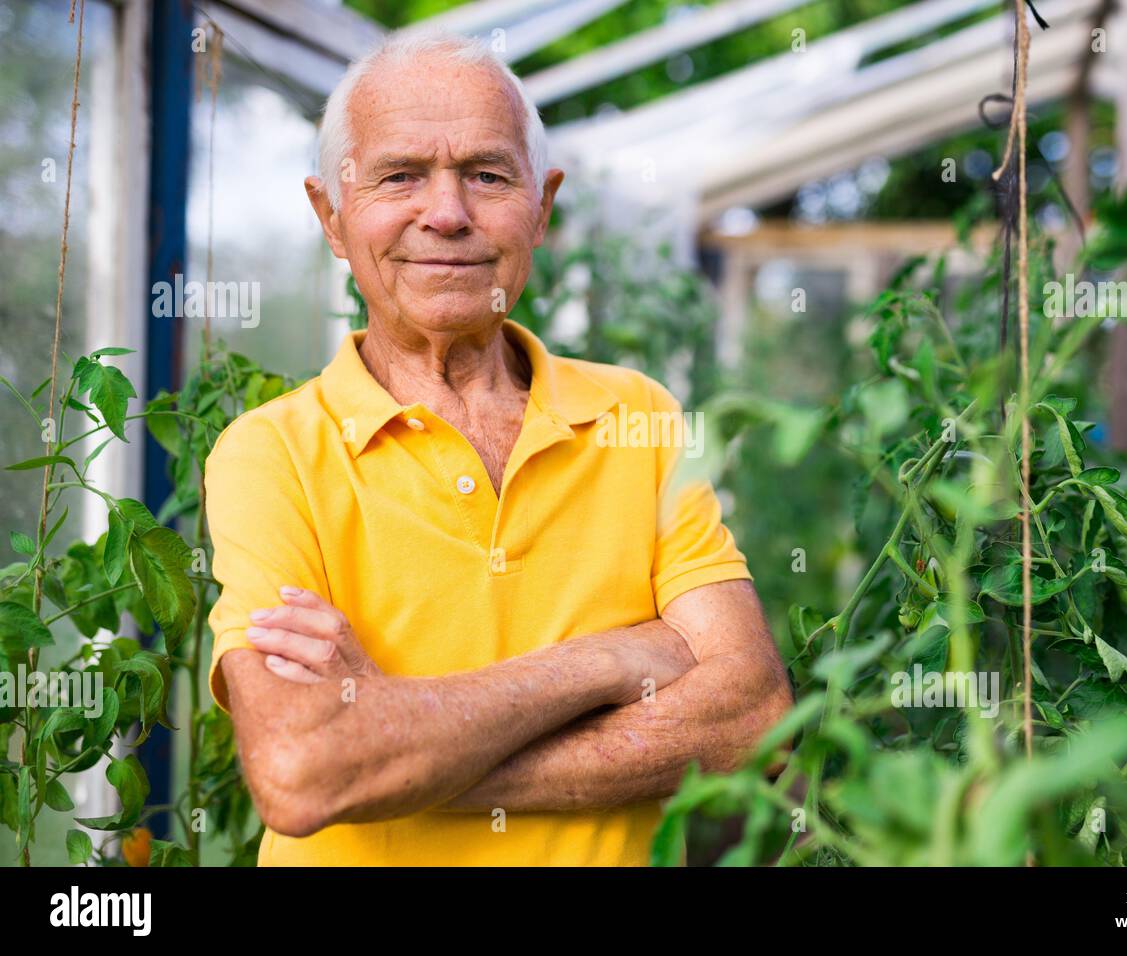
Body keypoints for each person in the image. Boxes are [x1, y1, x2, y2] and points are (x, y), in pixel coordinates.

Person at [205, 28, 793, 866]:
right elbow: (302, 771)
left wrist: (392, 745)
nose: (446, 214)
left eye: (486, 175)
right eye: (400, 175)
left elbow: (752, 719)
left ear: (542, 207)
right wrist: (607, 660)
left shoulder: (639, 416)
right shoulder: (271, 454)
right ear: (331, 216)